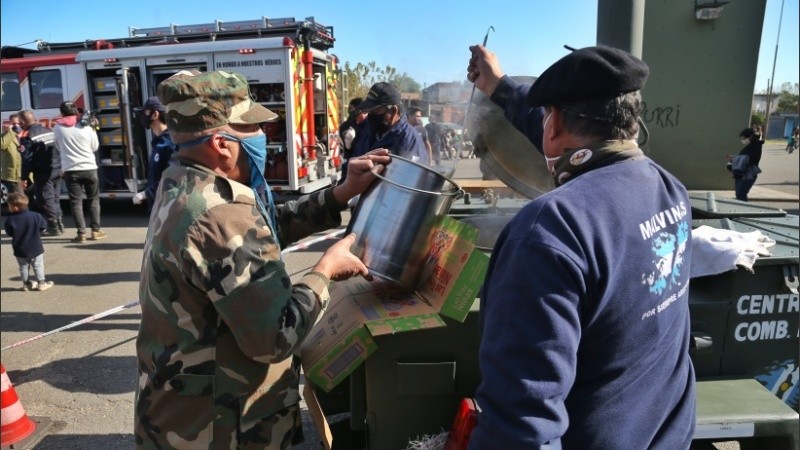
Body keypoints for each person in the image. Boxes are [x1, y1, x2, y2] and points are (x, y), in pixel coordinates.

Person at [134, 69, 391, 449]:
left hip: (181, 413)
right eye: (251, 130)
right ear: (222, 144)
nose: (263, 138)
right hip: (218, 430)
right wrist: (324, 272)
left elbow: (259, 232)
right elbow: (275, 337)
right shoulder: (219, 213)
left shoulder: (184, 181)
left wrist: (340, 194)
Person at [466, 45, 696, 449]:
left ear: (552, 125)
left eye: (548, 118)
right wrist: (498, 85)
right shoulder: (667, 189)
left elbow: (520, 424)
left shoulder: (549, 232)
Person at [54, 101, 105, 243]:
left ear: (62, 113)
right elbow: (95, 147)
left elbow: (58, 147)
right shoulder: (87, 127)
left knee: (76, 203)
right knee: (93, 200)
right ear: (76, 112)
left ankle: (81, 234)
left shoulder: (58, 128)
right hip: (89, 168)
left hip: (71, 170)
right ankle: (96, 231)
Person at [351, 82, 428, 164]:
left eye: (375, 111)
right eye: (369, 111)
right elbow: (354, 161)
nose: (371, 115)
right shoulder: (369, 132)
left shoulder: (409, 139)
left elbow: (413, 174)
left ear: (393, 111)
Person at [18, 110, 63, 235]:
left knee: (46, 198)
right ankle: (59, 223)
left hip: (43, 172)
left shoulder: (27, 135)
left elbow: (26, 159)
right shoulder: (48, 130)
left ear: (22, 121)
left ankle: (53, 227)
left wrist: (24, 177)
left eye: (19, 122)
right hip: (56, 168)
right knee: (55, 197)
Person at [132, 96, 177, 212]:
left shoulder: (169, 143)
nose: (142, 116)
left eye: (145, 112)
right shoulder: (159, 142)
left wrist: (146, 193)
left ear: (155, 115)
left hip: (168, 209)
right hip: (159, 207)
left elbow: (173, 178)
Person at [4, 192, 54, 291]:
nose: (8, 207)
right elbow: (43, 227)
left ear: (15, 207)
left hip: (20, 248)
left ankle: (26, 284)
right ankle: (41, 283)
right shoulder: (36, 216)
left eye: (9, 205)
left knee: (23, 267)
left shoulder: (10, 219)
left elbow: (9, 233)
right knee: (38, 265)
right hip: (36, 247)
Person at [730, 127, 763, 201]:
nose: (743, 140)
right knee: (739, 194)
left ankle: (745, 210)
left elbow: (751, 160)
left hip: (748, 174)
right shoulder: (751, 145)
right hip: (742, 173)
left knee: (741, 195)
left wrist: (736, 159)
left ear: (750, 136)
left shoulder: (756, 146)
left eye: (744, 138)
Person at [1, 113, 23, 202]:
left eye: (17, 123)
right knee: (19, 199)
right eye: (13, 124)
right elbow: (2, 145)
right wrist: (11, 132)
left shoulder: (26, 134)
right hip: (12, 174)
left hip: (26, 174)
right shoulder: (7, 135)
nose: (16, 126)